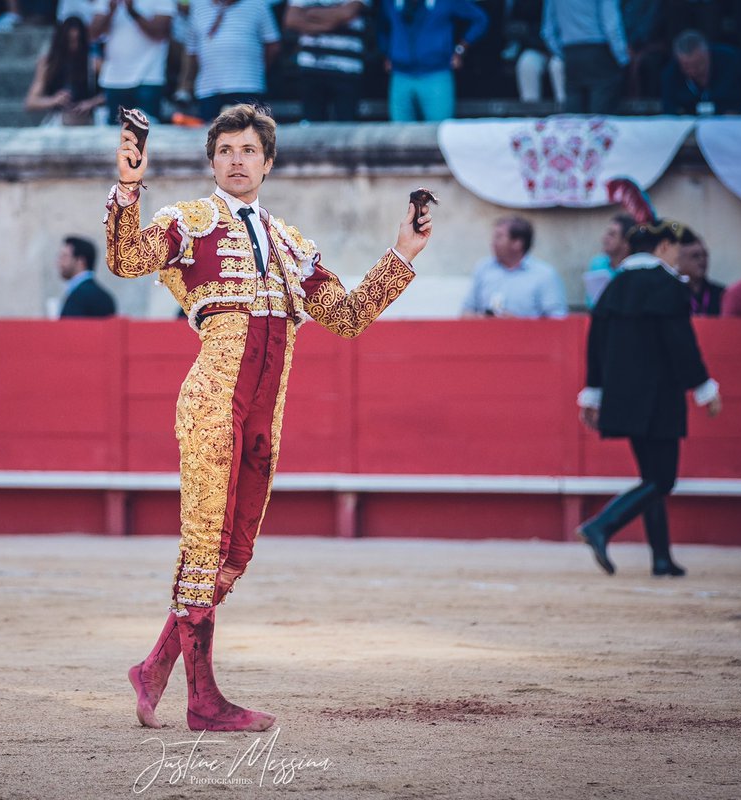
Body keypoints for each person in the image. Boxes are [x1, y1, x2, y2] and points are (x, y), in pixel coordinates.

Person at [106, 104, 431, 731]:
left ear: (268, 161)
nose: (236, 159)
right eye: (225, 149)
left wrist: (403, 253)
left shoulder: (291, 244)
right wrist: (128, 187)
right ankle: (203, 702)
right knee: (204, 549)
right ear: (211, 161)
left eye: (248, 149)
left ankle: (153, 669)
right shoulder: (188, 223)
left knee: (234, 554)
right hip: (212, 404)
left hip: (263, 415)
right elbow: (126, 259)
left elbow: (348, 316)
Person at [577, 218, 722, 578]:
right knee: (663, 480)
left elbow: (596, 344)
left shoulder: (615, 286)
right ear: (664, 248)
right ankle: (602, 525)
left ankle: (661, 558)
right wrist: (704, 386)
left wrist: (593, 393)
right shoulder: (668, 286)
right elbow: (681, 344)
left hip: (623, 396)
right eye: (676, 250)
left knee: (650, 476)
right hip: (660, 397)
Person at [377, 0, 486, 122]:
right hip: (400, 75)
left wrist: (461, 49)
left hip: (436, 74)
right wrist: (386, 52)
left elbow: (479, 19)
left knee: (438, 132)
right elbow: (381, 27)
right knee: (399, 134)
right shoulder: (389, 2)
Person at [182, 0, 279, 120]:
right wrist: (186, 85)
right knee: (210, 134)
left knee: (248, 132)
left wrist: (256, 70)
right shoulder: (198, 5)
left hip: (248, 86)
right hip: (208, 88)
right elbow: (192, 50)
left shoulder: (258, 4)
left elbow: (272, 44)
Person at [463, 216, 567, 318]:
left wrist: (518, 324)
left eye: (499, 237)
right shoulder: (483, 268)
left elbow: (557, 321)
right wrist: (480, 318)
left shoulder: (544, 275)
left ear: (517, 243)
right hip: (485, 333)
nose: (492, 243)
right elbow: (466, 311)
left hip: (527, 335)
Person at [282, 0, 368, 121]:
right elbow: (291, 20)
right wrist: (329, 23)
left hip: (347, 69)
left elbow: (347, 13)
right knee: (312, 125)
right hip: (310, 69)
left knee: (347, 125)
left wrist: (311, 13)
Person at [89, 0, 173, 123]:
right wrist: (111, 10)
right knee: (115, 138)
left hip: (148, 77)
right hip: (114, 80)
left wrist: (132, 11)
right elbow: (93, 34)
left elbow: (159, 32)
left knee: (150, 136)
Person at [541, 0, 628, 115]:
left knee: (575, 118)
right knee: (601, 118)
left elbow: (548, 31)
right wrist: (623, 58)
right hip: (599, 52)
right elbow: (611, 27)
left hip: (571, 53)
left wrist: (563, 54)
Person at [23, 16, 104, 125]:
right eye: (70, 41)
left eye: (77, 41)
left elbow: (112, 94)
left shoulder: (93, 63)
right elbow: (30, 103)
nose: (74, 46)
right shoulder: (48, 64)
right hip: (59, 121)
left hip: (88, 121)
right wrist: (54, 100)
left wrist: (91, 103)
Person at [661, 30, 741, 116]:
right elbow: (670, 111)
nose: (693, 71)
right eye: (686, 67)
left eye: (697, 65)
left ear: (707, 54)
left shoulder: (733, 61)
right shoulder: (671, 75)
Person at [584, 213, 635, 307]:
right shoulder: (598, 263)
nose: (604, 238)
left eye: (612, 235)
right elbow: (591, 303)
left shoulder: (635, 269)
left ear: (626, 243)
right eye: (607, 233)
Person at [57, 235, 116, 317]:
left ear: (80, 261)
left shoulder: (77, 297)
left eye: (64, 257)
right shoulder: (106, 297)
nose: (59, 263)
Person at [674, 233, 724, 316]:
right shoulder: (669, 294)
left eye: (705, 255)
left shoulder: (721, 295)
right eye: (695, 256)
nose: (702, 260)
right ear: (678, 260)